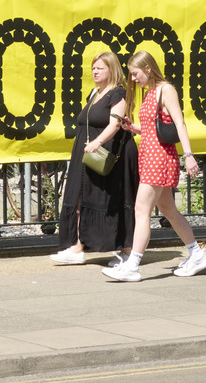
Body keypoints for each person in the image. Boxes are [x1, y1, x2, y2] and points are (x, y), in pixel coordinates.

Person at [104, 50, 206, 282]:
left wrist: (189, 155)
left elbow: (179, 123)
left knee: (141, 210)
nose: (133, 79)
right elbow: (156, 130)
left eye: (135, 74)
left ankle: (132, 265)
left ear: (148, 69)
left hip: (159, 159)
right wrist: (133, 128)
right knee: (168, 211)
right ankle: (196, 254)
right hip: (152, 157)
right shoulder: (151, 92)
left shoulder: (165, 90)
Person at [51, 51, 135, 264]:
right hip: (88, 154)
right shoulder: (94, 93)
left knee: (116, 199)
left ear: (112, 69)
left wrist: (98, 142)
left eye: (100, 68)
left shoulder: (118, 93)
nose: (95, 71)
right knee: (81, 198)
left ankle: (127, 252)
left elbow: (115, 123)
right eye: (93, 68)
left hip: (107, 154)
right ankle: (77, 248)